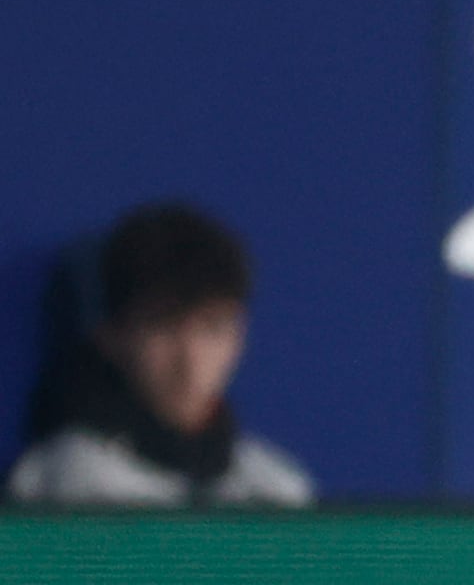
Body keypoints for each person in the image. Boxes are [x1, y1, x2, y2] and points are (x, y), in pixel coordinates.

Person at [10, 204, 312, 508]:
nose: (190, 359)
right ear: (111, 336)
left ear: (240, 336)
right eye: (163, 325)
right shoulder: (64, 480)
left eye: (213, 327)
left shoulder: (276, 488)